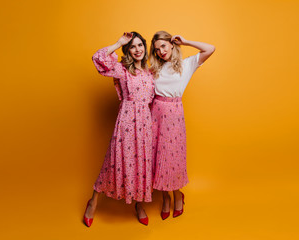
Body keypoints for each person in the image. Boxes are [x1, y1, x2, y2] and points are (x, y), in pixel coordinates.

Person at [83, 32, 155, 227]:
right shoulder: (122, 70)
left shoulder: (151, 73)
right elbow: (98, 59)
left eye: (140, 45)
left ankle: (139, 205)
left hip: (145, 124)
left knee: (142, 164)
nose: (138, 50)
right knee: (113, 161)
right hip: (126, 120)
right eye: (132, 46)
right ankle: (93, 202)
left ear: (145, 48)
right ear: (128, 51)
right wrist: (118, 42)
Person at [149, 31, 215, 220]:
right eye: (157, 49)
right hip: (156, 113)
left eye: (163, 46)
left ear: (171, 44)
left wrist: (185, 42)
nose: (161, 51)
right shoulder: (154, 69)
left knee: (173, 156)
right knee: (158, 157)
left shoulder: (186, 65)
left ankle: (178, 194)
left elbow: (210, 48)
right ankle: (165, 198)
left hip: (174, 113)